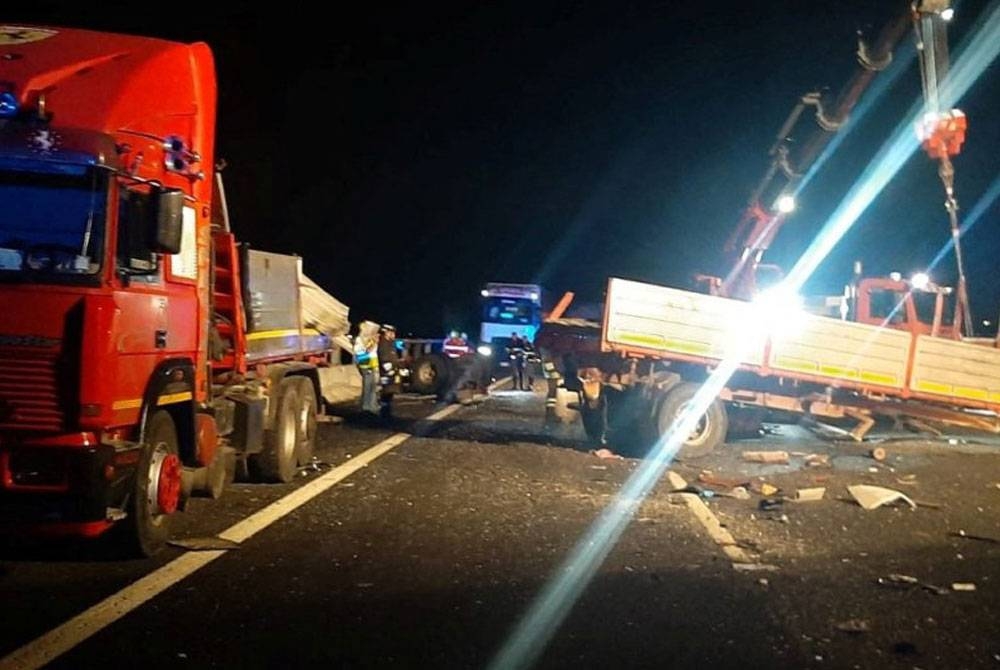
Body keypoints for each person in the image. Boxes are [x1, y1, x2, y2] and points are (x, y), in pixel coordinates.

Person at [353, 320, 380, 415]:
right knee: (368, 386)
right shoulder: (360, 340)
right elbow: (363, 352)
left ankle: (373, 406)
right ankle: (367, 406)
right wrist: (372, 343)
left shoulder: (369, 339)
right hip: (366, 365)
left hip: (372, 365)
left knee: (373, 387)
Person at [377, 324, 402, 421]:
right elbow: (384, 358)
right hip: (386, 373)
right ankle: (384, 414)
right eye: (391, 332)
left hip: (391, 371)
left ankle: (387, 412)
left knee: (389, 393)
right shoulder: (384, 344)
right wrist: (389, 370)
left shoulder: (390, 343)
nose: (393, 335)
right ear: (386, 333)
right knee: (386, 393)